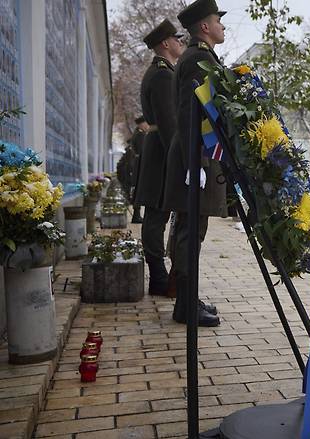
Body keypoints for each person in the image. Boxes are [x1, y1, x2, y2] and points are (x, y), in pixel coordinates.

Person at [162, 0, 229, 327]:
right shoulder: (197, 60)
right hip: (194, 155)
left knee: (193, 231)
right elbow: (192, 114)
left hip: (194, 154)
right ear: (204, 26)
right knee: (190, 232)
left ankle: (188, 300)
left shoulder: (197, 57)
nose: (222, 25)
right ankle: (185, 306)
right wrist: (196, 164)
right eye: (218, 20)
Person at [135, 19, 185, 297]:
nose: (180, 42)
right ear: (165, 43)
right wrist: (180, 159)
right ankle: (157, 276)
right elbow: (169, 124)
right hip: (163, 153)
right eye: (177, 39)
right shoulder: (164, 75)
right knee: (156, 216)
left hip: (158, 150)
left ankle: (159, 275)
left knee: (157, 215)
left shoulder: (161, 71)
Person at [129, 116, 148, 223]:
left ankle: (136, 215)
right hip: (139, 165)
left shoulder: (138, 134)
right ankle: (136, 216)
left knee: (136, 189)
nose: (147, 126)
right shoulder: (140, 136)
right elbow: (142, 152)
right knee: (137, 189)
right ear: (141, 124)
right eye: (145, 123)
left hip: (137, 164)